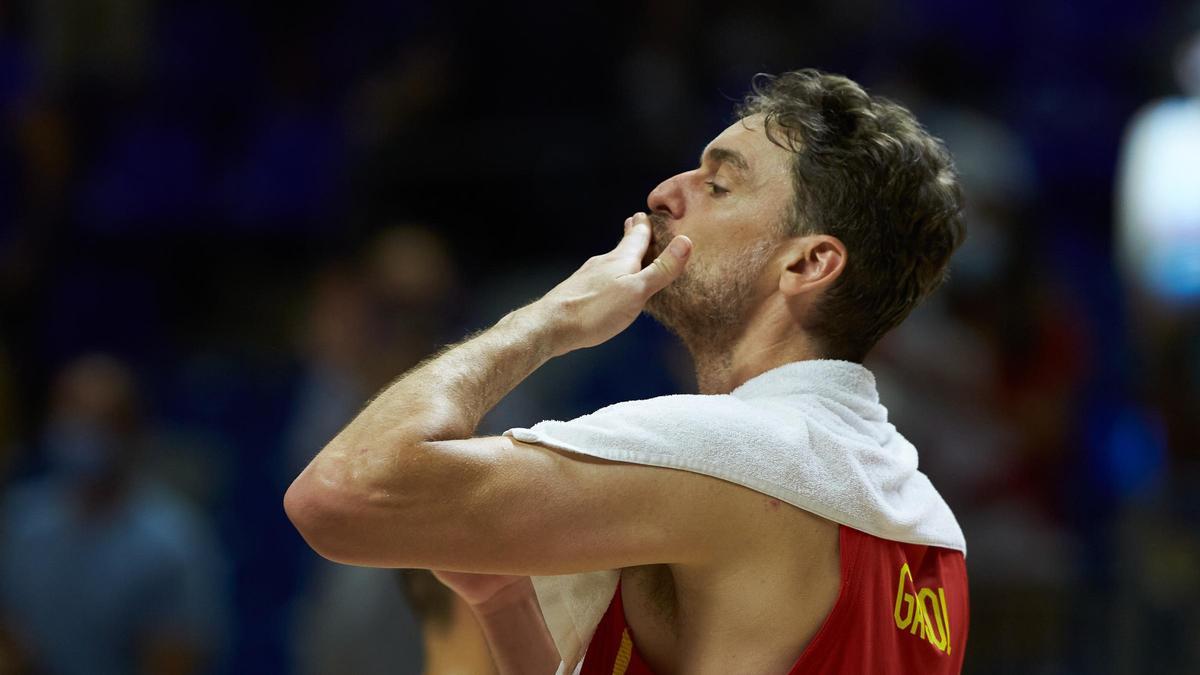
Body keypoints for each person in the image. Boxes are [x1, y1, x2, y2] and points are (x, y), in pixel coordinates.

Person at [285, 69, 969, 674]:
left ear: (807, 264)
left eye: (719, 184)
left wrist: (547, 320)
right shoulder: (931, 529)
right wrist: (501, 600)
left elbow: (338, 495)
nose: (666, 192)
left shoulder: (723, 449)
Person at [0, 355, 228, 675]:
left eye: (101, 422)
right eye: (73, 415)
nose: (82, 433)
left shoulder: (173, 540)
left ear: (133, 433)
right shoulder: (20, 518)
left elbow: (176, 659)